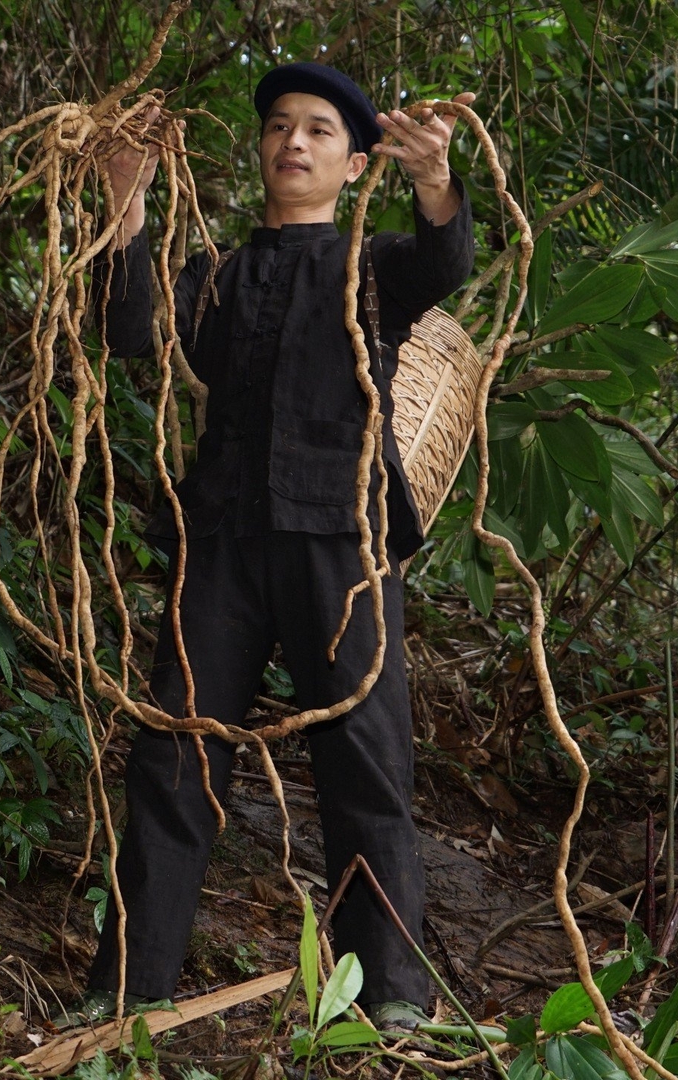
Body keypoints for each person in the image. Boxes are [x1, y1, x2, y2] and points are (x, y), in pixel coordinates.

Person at [69, 62, 477, 1033]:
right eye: (280, 127)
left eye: (320, 131)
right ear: (261, 149)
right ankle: (129, 992)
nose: (293, 143)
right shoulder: (220, 273)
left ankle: (394, 1001)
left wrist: (433, 183)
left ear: (351, 162)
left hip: (345, 548)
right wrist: (125, 199)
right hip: (224, 546)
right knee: (176, 754)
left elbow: (443, 264)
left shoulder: (373, 269)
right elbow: (128, 325)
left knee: (366, 765)